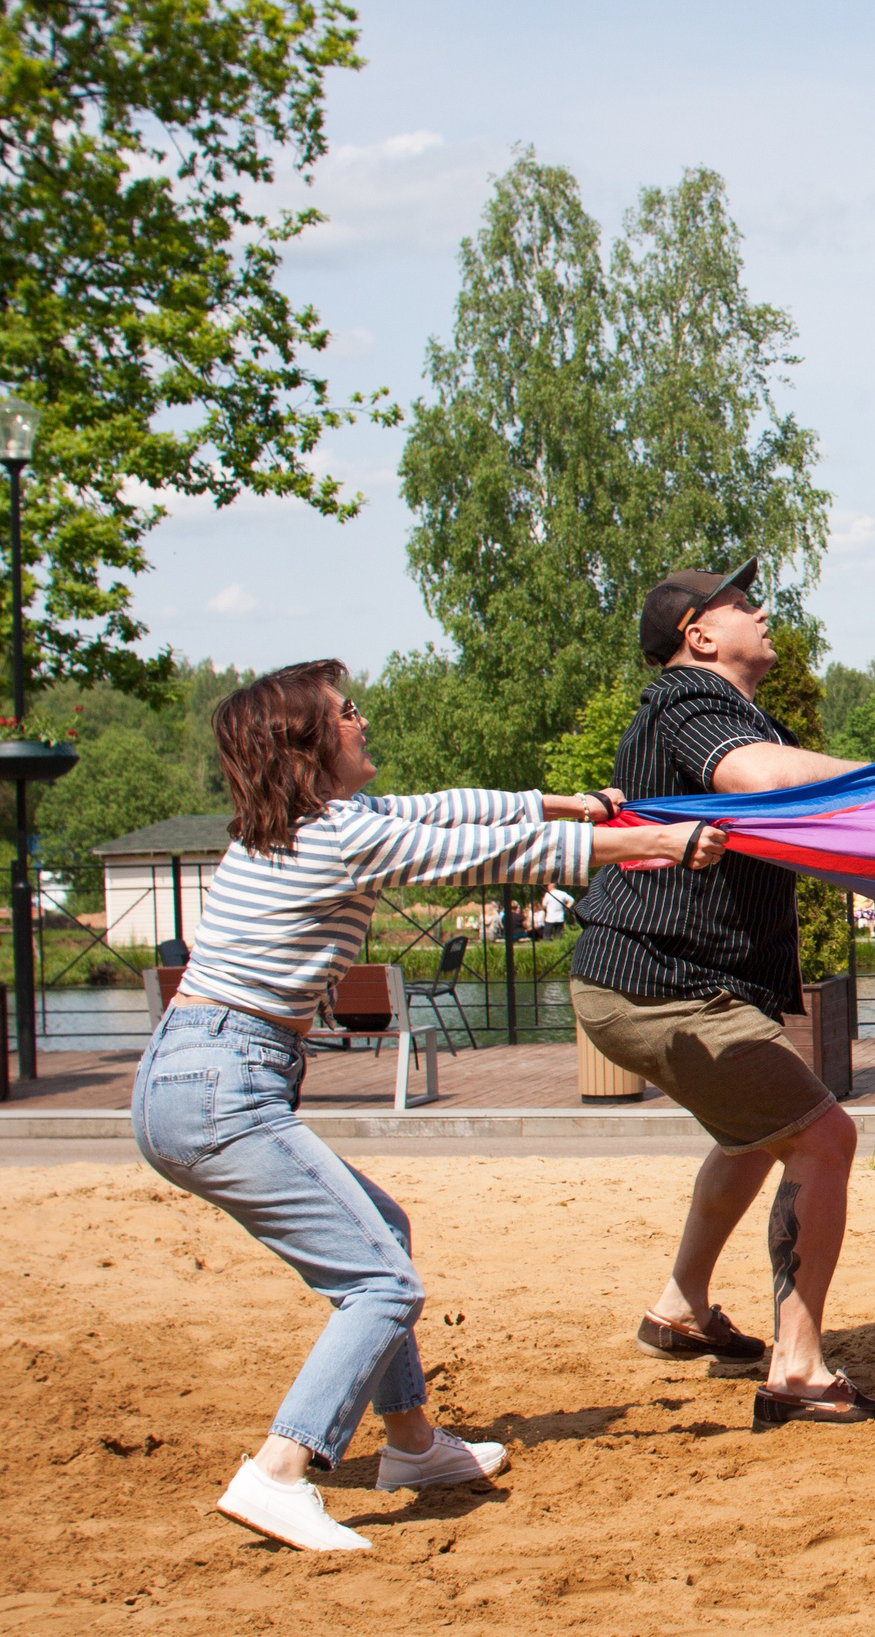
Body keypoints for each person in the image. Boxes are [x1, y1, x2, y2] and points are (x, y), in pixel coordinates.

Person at [132, 660, 725, 1552]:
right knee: (379, 1281)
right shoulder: (334, 840)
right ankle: (281, 1469)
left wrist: (569, 804)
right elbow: (479, 857)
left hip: (200, 1077)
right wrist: (647, 845)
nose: (363, 720)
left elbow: (450, 810)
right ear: (308, 742)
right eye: (347, 711)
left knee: (384, 1231)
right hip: (223, 1087)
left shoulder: (328, 823)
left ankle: (411, 1443)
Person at [569, 558, 875, 1430]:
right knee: (824, 1135)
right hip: (663, 979)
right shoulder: (688, 701)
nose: (764, 611)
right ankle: (797, 1365)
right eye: (744, 604)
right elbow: (764, 780)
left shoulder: (735, 710)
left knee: (755, 1135)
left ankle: (680, 1307)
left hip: (652, 975)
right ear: (698, 635)